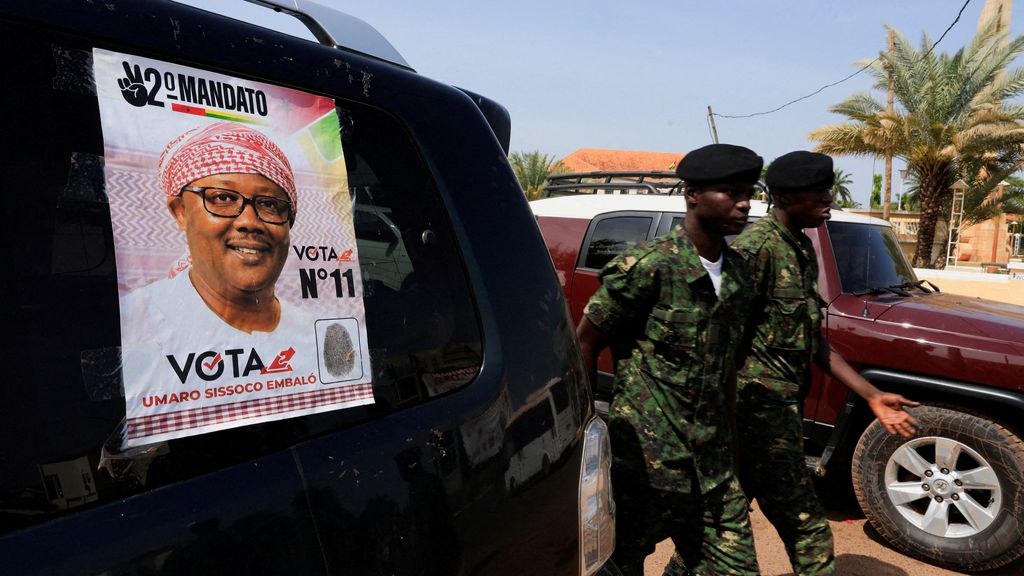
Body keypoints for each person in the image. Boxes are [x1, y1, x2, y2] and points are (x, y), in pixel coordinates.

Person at [726, 150, 919, 575]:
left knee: (729, 532)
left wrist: (872, 395)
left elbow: (813, 339)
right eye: (818, 191)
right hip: (749, 424)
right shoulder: (755, 251)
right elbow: (719, 347)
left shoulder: (801, 248)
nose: (829, 198)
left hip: (779, 423)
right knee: (797, 532)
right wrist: (729, 433)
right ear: (783, 196)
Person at [577, 143, 763, 576]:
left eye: (749, 193)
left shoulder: (739, 275)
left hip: (714, 467)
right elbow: (585, 342)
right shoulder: (648, 266)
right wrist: (590, 437)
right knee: (620, 565)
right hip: (645, 464)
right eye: (732, 192)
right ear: (692, 194)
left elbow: (727, 370)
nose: (745, 203)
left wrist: (733, 452)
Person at [121, 121, 302, 337]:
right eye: (223, 198)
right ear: (181, 212)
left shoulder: (314, 332)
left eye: (269, 204)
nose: (249, 222)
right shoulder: (134, 326)